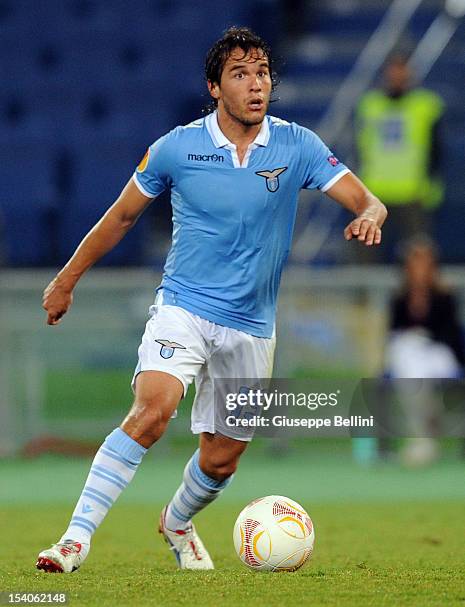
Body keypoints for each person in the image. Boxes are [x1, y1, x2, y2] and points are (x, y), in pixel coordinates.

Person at [36, 27, 387, 573]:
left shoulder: (299, 146)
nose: (255, 85)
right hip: (185, 307)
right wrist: (66, 279)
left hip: (251, 325)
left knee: (221, 461)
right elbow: (122, 216)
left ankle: (176, 520)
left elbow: (368, 199)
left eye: (263, 73)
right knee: (153, 411)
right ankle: (73, 541)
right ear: (215, 87)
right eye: (240, 74)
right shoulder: (177, 147)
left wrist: (368, 214)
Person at [355, 53, 444, 262]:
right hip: (374, 191)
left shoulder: (427, 105)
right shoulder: (369, 105)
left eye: (402, 69)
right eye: (393, 70)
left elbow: (437, 150)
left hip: (413, 192)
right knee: (364, 253)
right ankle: (364, 295)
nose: (397, 75)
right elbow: (359, 147)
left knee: (419, 255)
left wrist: (431, 187)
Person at [384, 236, 465, 466]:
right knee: (408, 362)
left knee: (422, 370)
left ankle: (425, 432)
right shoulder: (400, 298)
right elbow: (393, 333)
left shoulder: (444, 296)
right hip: (409, 355)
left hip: (438, 353)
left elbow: (451, 334)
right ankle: (422, 435)